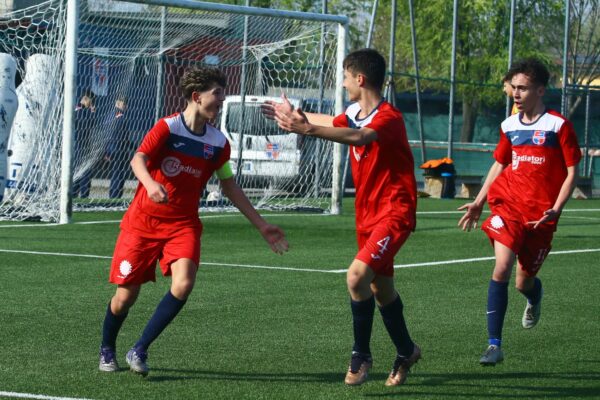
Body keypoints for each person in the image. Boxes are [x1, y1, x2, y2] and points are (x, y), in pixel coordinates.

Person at [98, 66, 289, 376]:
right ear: (196, 96)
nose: (221, 102)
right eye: (217, 95)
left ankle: (140, 348)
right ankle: (107, 347)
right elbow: (138, 159)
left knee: (184, 283)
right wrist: (149, 183)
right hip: (142, 224)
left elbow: (229, 186)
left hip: (183, 225)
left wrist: (262, 225)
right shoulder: (167, 128)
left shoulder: (218, 143)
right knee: (125, 296)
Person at [264, 48, 420, 387]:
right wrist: (295, 116)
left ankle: (360, 354)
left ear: (360, 79)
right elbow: (332, 121)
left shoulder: (388, 117)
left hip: (395, 213)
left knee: (355, 278)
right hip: (366, 215)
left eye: (346, 77)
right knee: (380, 289)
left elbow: (360, 136)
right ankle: (407, 350)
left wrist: (305, 130)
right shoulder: (353, 111)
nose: (343, 82)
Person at [458, 58, 581, 366]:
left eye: (523, 88)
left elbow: (572, 172)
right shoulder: (509, 126)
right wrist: (479, 201)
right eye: (513, 87)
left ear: (540, 90)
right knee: (501, 267)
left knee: (523, 282)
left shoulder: (558, 126)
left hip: (540, 217)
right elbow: (499, 164)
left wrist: (556, 208)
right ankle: (494, 345)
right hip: (508, 207)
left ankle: (533, 297)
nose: (516, 92)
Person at [104, 95, 132, 199]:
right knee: (118, 173)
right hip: (119, 149)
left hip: (114, 149)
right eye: (124, 104)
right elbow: (121, 136)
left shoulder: (111, 116)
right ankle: (115, 195)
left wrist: (107, 151)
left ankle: (114, 195)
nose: (126, 106)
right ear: (118, 103)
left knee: (117, 173)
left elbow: (107, 135)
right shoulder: (119, 116)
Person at [72, 90, 96, 198]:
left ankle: (76, 193)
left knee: (80, 170)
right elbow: (87, 124)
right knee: (84, 171)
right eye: (90, 102)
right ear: (86, 99)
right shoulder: (79, 110)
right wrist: (92, 113)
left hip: (82, 144)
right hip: (80, 145)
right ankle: (83, 194)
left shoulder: (80, 109)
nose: (91, 104)